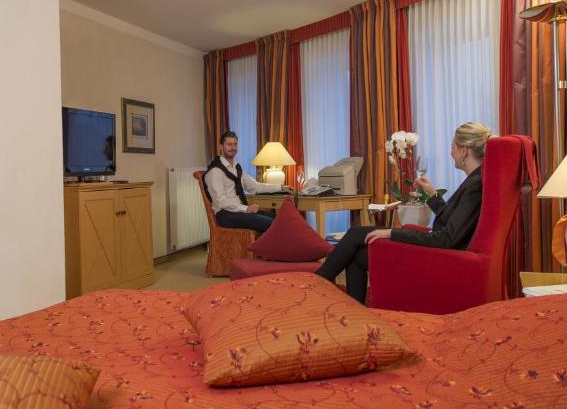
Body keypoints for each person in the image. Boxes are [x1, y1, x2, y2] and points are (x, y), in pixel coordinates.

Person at [315, 122, 492, 302]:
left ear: (464, 152)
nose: (450, 153)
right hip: (443, 253)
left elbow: (446, 239)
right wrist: (432, 194)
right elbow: (452, 223)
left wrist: (392, 233)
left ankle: (316, 283)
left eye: (452, 147)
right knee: (356, 255)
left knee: (355, 234)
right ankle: (352, 308)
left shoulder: (475, 186)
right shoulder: (477, 180)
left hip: (441, 259)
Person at [204, 130, 288, 233]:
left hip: (239, 212)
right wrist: (246, 209)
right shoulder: (215, 171)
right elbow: (220, 201)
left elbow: (255, 187)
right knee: (272, 223)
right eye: (229, 144)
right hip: (226, 215)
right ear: (221, 147)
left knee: (280, 219)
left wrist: (281, 187)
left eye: (235, 144)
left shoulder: (236, 168)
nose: (233, 147)